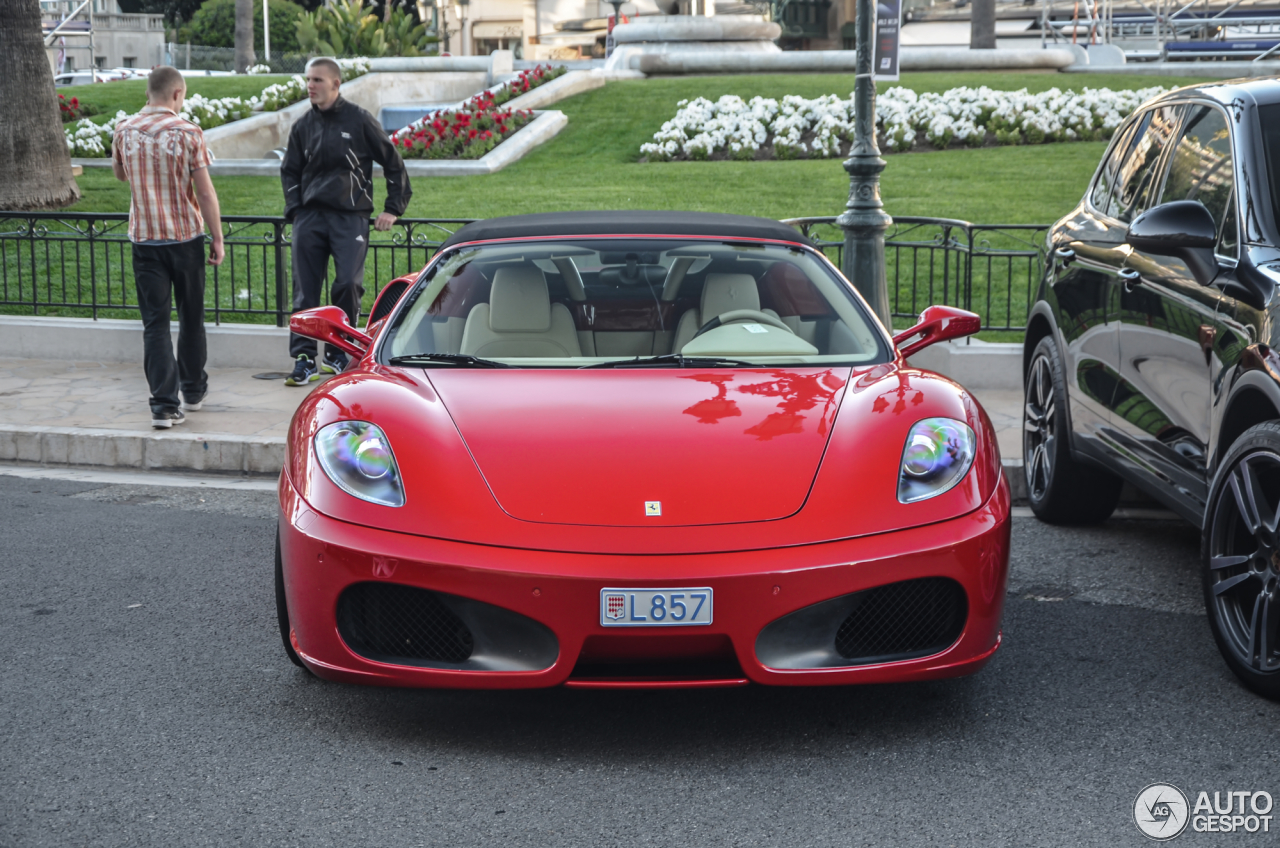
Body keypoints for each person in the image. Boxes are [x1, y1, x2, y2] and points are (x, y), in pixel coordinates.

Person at [280, 57, 411, 386]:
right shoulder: (302, 126)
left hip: (350, 217)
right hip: (309, 218)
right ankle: (305, 359)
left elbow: (393, 163)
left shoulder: (359, 120)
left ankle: (340, 353)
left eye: (318, 80)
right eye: (308, 80)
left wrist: (392, 208)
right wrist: (296, 210)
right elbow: (289, 171)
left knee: (347, 285)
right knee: (304, 292)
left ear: (336, 84)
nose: (311, 86)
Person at [112, 65, 224, 429]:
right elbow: (205, 192)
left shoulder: (123, 131)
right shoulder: (188, 132)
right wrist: (218, 237)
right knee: (191, 318)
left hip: (144, 240)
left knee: (155, 325)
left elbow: (120, 175)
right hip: (185, 238)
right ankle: (192, 391)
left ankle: (163, 405)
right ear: (177, 94)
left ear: (149, 93)